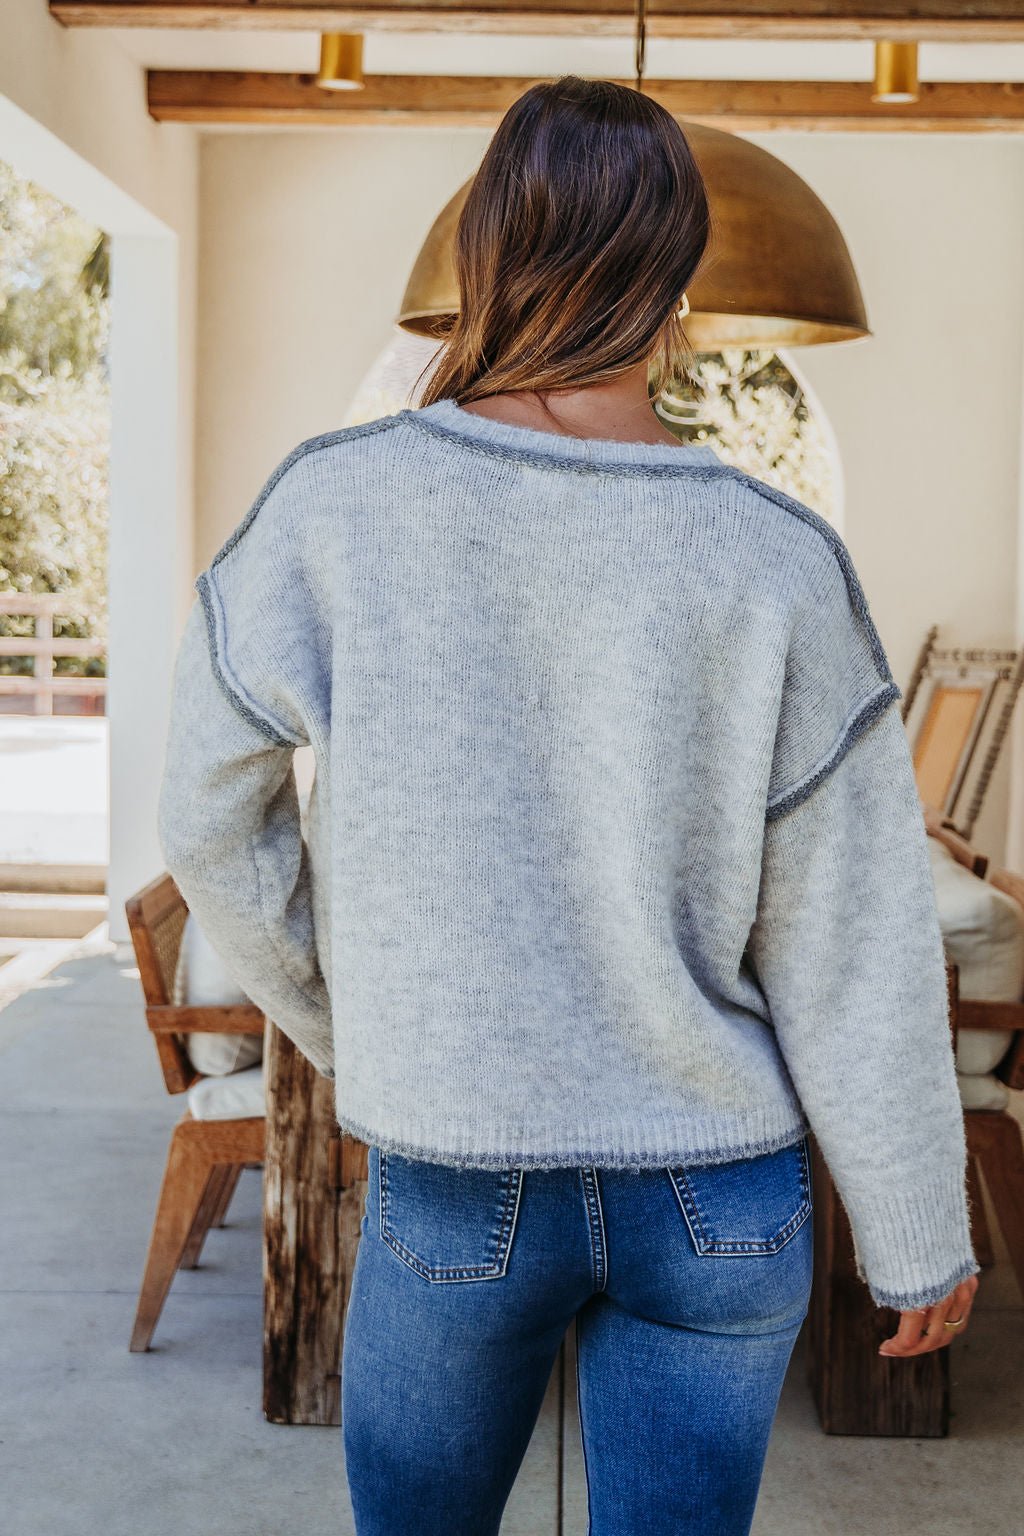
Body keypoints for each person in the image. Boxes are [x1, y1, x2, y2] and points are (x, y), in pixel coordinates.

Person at [157, 75, 979, 1536]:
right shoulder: (773, 556)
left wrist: (365, 1029)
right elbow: (854, 935)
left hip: (460, 1171)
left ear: (484, 253)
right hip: (720, 1195)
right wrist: (918, 1231)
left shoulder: (336, 509)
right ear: (676, 281)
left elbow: (212, 820)